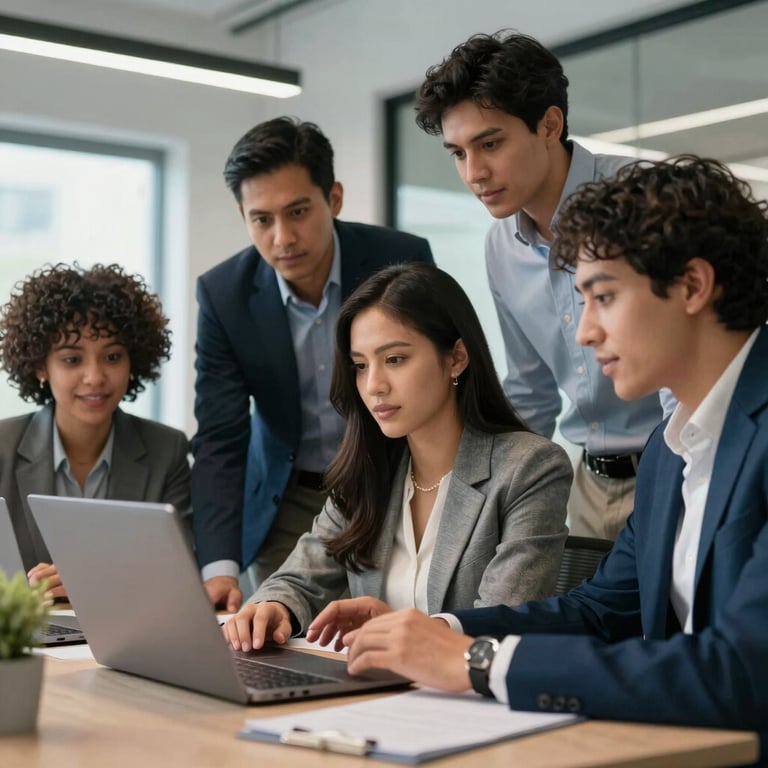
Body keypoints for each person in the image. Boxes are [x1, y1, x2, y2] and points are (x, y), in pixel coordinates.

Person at [340, 157, 768, 759]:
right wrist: (442, 632)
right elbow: (600, 611)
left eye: (605, 297)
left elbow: (742, 672)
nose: (585, 333)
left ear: (693, 286)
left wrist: (479, 662)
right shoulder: (672, 448)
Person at [222, 262, 571, 652]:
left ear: (456, 357)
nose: (374, 386)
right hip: (368, 693)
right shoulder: (368, 470)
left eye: (395, 360)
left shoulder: (530, 468)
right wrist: (273, 606)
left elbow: (503, 620)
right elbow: (299, 578)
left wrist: (406, 632)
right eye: (360, 366)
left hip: (465, 699)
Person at [414, 30, 670, 540]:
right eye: (458, 153)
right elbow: (531, 392)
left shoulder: (645, 199)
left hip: (678, 464)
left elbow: (691, 363)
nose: (475, 173)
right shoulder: (500, 246)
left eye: (490, 144)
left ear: (549, 125)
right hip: (592, 484)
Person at [193, 117, 434, 613]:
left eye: (298, 211)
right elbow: (220, 436)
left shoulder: (401, 260)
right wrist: (218, 566)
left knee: (393, 629)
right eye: (261, 219)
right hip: (288, 500)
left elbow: (438, 384)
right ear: (243, 215)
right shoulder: (224, 295)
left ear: (335, 198)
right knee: (278, 636)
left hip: (391, 482)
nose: (283, 237)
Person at [0, 262, 191, 599]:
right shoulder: (3, 447)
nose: (95, 377)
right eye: (72, 360)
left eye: (112, 356)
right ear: (41, 366)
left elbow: (178, 575)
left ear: (134, 362)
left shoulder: (167, 449)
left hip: (130, 637)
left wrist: (92, 579)